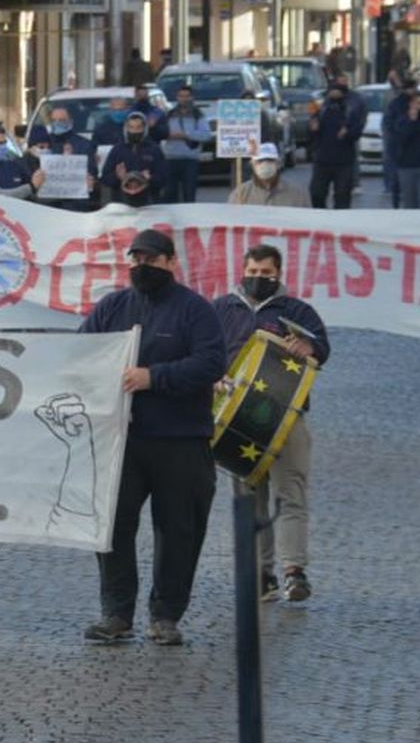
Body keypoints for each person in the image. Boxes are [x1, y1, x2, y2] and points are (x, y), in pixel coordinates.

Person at [77, 229, 226, 646]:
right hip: (122, 442)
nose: (142, 266)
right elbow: (81, 354)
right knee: (112, 528)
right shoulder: (113, 306)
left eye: (151, 259)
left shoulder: (195, 310)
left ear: (171, 263)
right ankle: (116, 612)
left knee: (179, 530)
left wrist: (154, 378)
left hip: (181, 440)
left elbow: (212, 362)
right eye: (135, 259)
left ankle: (166, 616)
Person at [213, 244, 330, 602]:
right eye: (253, 271)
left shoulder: (297, 310)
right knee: (250, 498)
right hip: (235, 417)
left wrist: (310, 347)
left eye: (266, 273)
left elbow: (322, 347)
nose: (258, 278)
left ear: (279, 274)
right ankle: (261, 575)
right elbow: (203, 350)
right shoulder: (221, 308)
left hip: (286, 416)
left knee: (290, 490)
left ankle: (295, 571)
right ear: (242, 269)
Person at [308, 79, 364, 209]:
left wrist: (347, 133)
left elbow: (357, 131)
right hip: (322, 159)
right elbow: (311, 133)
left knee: (342, 197)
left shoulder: (350, 111)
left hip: (343, 161)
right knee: (317, 194)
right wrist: (313, 129)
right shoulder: (321, 109)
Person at [24, 124, 98, 211]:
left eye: (48, 147)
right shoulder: (22, 165)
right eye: (41, 147)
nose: (45, 150)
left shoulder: (53, 162)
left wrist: (84, 184)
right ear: (31, 147)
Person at [102, 112, 166, 208]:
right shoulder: (117, 149)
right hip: (121, 204)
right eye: (131, 127)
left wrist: (150, 178)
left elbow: (163, 179)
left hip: (148, 204)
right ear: (126, 128)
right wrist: (118, 176)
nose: (134, 131)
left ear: (145, 129)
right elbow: (105, 178)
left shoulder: (154, 149)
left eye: (138, 127)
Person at [162, 84, 210, 203]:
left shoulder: (198, 115)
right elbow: (160, 133)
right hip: (170, 159)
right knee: (170, 195)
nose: (184, 99)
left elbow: (206, 135)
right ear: (177, 97)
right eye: (181, 96)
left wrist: (186, 135)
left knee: (189, 194)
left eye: (187, 96)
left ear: (192, 97)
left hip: (190, 159)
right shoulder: (169, 114)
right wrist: (167, 135)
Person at [228, 143, 308, 207]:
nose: (265, 164)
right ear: (252, 165)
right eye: (260, 161)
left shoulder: (298, 194)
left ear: (278, 164)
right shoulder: (240, 194)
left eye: (269, 160)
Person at [381, 76, 416, 208]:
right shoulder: (398, 104)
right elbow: (390, 125)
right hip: (399, 147)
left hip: (400, 147)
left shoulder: (413, 103)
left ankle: (398, 204)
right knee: (399, 181)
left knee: (400, 181)